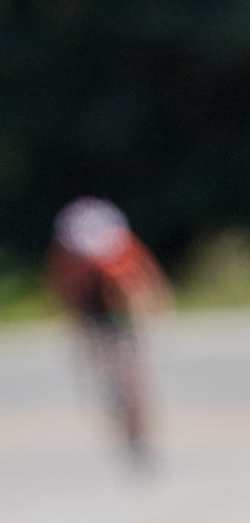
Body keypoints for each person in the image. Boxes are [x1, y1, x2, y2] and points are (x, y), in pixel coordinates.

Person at [46, 196, 173, 468]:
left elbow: (146, 284)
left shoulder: (122, 252)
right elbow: (68, 298)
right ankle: (123, 419)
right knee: (107, 373)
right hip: (93, 316)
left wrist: (150, 320)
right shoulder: (66, 258)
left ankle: (142, 430)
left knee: (135, 376)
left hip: (124, 314)